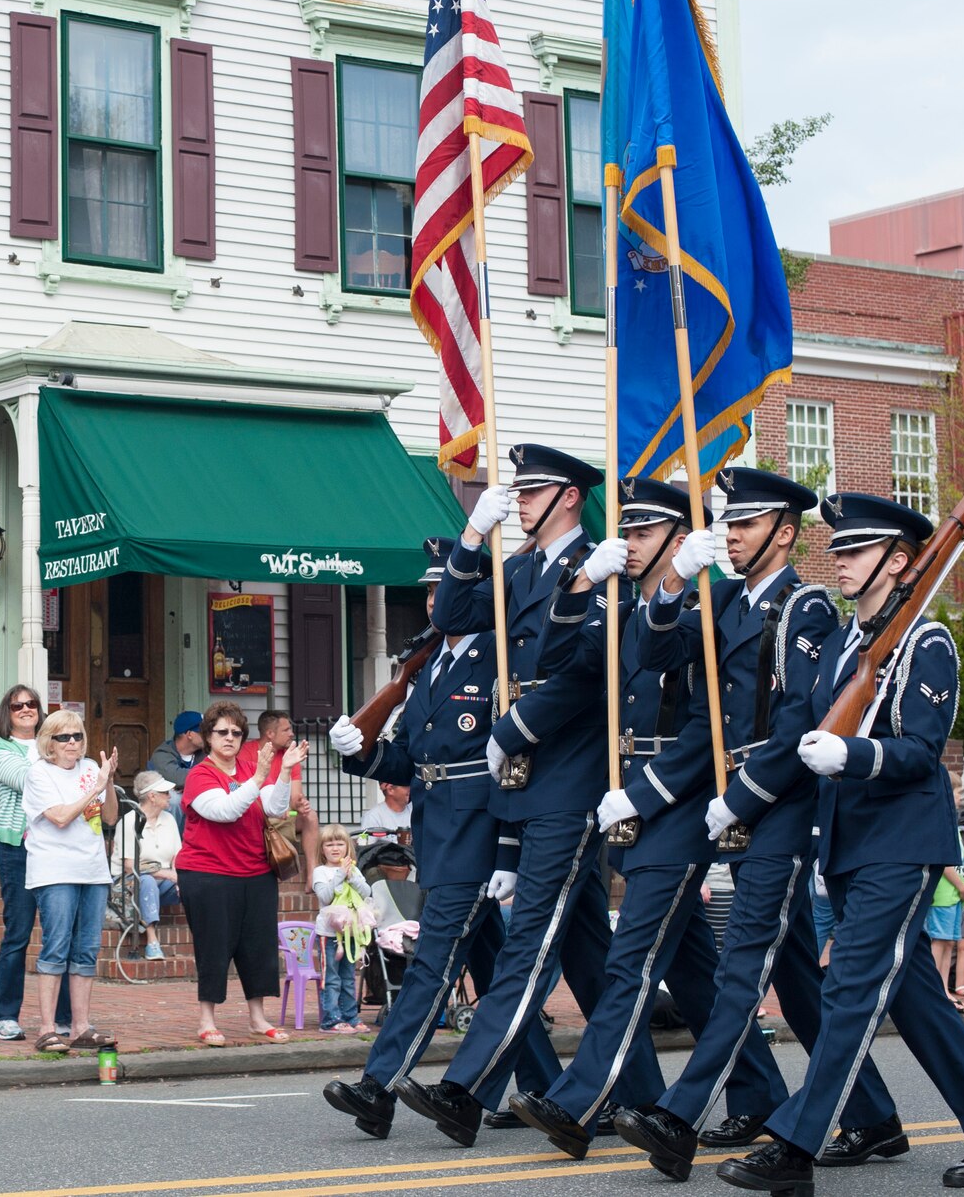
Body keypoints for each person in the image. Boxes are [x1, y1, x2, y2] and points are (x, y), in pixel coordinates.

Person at [713, 493, 964, 1196]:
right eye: (840, 550)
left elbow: (921, 751)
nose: (841, 562)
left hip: (902, 845)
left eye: (856, 551)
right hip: (849, 848)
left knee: (851, 986)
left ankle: (794, 1144)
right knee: (914, 998)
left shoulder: (927, 642)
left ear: (898, 560)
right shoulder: (842, 647)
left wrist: (852, 757)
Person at [508, 478, 791, 1163]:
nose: (628, 546)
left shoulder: (719, 598)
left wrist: (648, 792)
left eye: (641, 535)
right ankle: (772, 1099)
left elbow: (709, 722)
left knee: (632, 955)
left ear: (676, 537)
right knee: (697, 972)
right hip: (638, 796)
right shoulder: (638, 605)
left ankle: (582, 1101)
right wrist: (578, 586)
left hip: (686, 797)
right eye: (627, 534)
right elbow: (556, 662)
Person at [396, 448, 669, 1148]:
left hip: (570, 770)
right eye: (517, 491)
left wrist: (516, 726)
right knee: (585, 949)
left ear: (571, 497)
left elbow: (583, 672)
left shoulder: (606, 568)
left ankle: (468, 1086)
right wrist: (469, 540)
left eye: (534, 490)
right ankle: (641, 1093)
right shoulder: (517, 568)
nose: (518, 501)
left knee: (534, 934)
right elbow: (452, 612)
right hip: (521, 778)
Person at [646, 466, 888, 1173]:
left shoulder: (805, 607)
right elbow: (656, 653)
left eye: (746, 524)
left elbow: (798, 726)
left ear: (785, 533)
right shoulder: (721, 600)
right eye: (729, 522)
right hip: (737, 803)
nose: (732, 533)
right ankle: (873, 1116)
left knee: (741, 965)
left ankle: (678, 1114)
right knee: (793, 975)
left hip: (777, 806)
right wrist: (670, 585)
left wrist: (742, 798)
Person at [326, 534, 561, 1139]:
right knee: (487, 961)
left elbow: (514, 759)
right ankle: (542, 1084)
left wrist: (509, 843)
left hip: (480, 826)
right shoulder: (428, 666)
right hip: (437, 828)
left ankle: (378, 1087)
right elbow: (407, 761)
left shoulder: (500, 660)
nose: (435, 601)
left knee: (433, 960)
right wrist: (361, 753)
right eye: (431, 591)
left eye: (446, 590)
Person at [179, 702, 292, 1048]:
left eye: (236, 732)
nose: (229, 738)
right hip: (208, 873)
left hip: (256, 871)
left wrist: (284, 771)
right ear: (208, 736)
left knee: (257, 946)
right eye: (221, 732)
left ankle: (258, 1019)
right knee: (214, 946)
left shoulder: (248, 767)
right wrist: (258, 778)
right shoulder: (200, 775)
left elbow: (275, 807)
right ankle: (206, 1020)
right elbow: (224, 812)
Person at [22, 709, 117, 1053]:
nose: (73, 743)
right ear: (50, 743)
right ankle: (47, 1028)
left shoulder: (92, 769)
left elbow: (109, 817)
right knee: (56, 946)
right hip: (55, 870)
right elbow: (60, 817)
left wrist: (107, 783)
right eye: (64, 737)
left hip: (92, 870)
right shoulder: (39, 774)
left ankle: (81, 1026)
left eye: (77, 736)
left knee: (87, 950)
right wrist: (94, 788)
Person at [0, 684, 69, 1041]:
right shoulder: (0, 751)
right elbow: (30, 781)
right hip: (17, 850)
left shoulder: (51, 746)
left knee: (60, 935)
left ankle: (64, 1018)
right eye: (17, 705)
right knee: (18, 934)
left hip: (56, 849)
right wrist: (62, 766)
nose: (25, 709)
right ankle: (5, 1017)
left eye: (31, 704)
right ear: (8, 713)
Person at [312, 825, 372, 1033]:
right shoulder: (320, 872)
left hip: (351, 933)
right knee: (331, 978)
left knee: (348, 978)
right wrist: (339, 875)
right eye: (329, 844)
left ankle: (351, 1017)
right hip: (329, 935)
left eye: (340, 843)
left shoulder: (353, 870)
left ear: (348, 847)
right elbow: (325, 896)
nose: (335, 848)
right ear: (322, 849)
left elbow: (366, 892)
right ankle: (331, 1019)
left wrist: (352, 876)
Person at [117, 770, 181, 960]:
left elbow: (178, 855)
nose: (170, 796)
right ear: (152, 796)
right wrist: (168, 874)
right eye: (165, 793)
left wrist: (179, 876)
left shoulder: (169, 819)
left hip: (163, 882)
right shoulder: (129, 821)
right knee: (147, 881)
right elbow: (130, 865)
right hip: (128, 883)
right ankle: (152, 941)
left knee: (195, 881)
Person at [249, 709, 319, 872]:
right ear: (270, 733)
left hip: (286, 814)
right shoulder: (246, 752)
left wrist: (300, 804)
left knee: (310, 815)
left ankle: (312, 873)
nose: (292, 734)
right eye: (286, 730)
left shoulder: (290, 756)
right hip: (258, 816)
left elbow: (295, 797)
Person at [926, 840, 964, 1013]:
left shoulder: (954, 828)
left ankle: (943, 989)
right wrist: (962, 886)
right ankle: (934, 990)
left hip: (953, 895)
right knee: (939, 942)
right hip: (943, 894)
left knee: (948, 943)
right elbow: (942, 861)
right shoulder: (940, 823)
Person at [147, 710, 205, 791]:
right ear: (189, 734)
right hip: (167, 802)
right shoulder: (162, 754)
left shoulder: (207, 752)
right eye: (204, 732)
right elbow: (177, 779)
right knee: (174, 797)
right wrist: (210, 774)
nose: (208, 735)